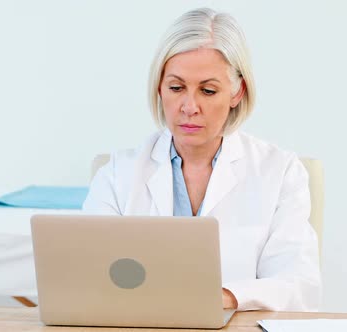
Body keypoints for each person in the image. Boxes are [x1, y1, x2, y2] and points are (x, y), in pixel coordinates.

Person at [82, 8, 321, 311]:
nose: (189, 106)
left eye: (208, 91)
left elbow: (299, 285)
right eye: (176, 88)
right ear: (159, 87)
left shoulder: (280, 172)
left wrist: (221, 298)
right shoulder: (117, 175)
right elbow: (89, 279)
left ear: (237, 92)